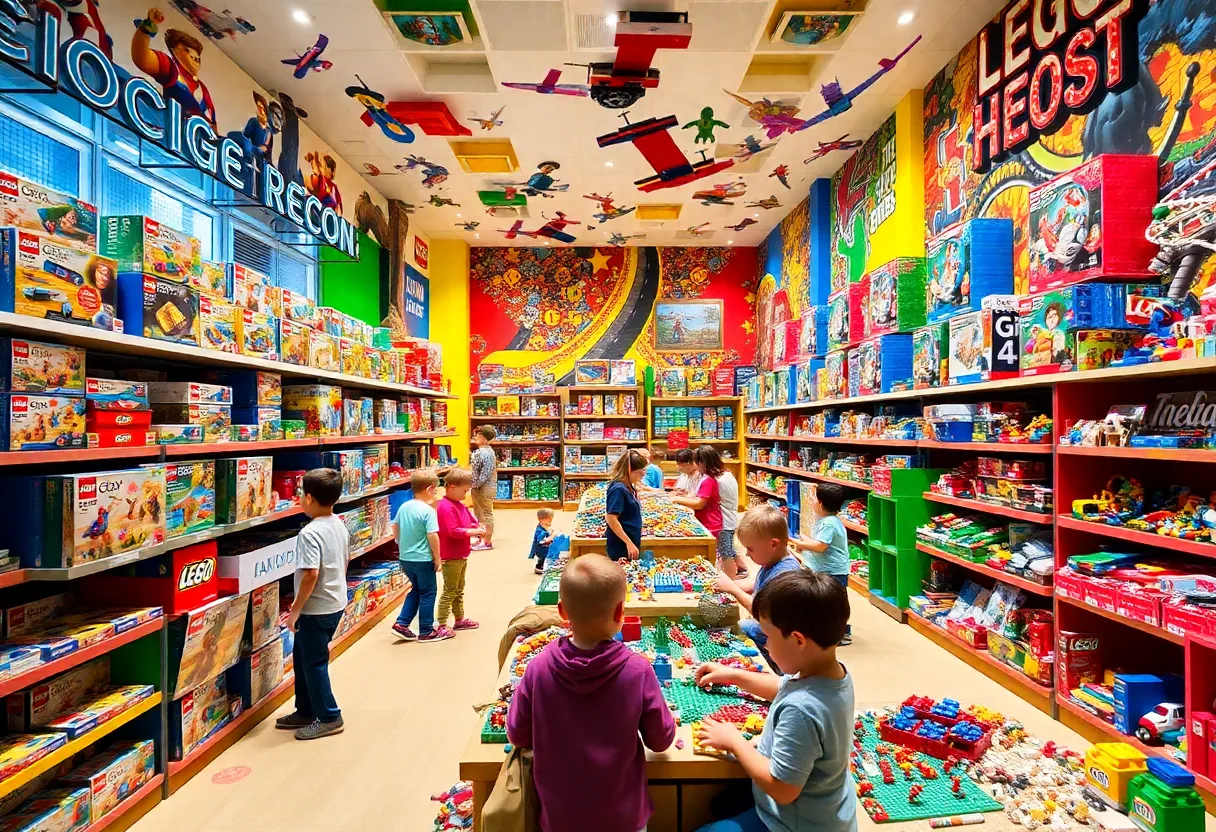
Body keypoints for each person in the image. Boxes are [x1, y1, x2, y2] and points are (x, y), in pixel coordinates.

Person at [507, 555, 676, 832]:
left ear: (562, 611)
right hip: (622, 818)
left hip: (560, 819)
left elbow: (517, 734)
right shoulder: (637, 670)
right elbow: (660, 741)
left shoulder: (538, 669)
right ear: (621, 611)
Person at [693, 571, 856, 832]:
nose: (765, 645)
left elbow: (782, 789)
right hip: (826, 812)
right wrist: (734, 675)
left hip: (793, 823)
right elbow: (782, 686)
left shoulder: (802, 709)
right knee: (722, 802)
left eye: (767, 636)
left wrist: (734, 740)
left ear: (798, 640)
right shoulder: (831, 673)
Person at [277, 469, 349, 740]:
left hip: (316, 608)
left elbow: (310, 574)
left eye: (299, 494)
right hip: (334, 601)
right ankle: (306, 709)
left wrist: (294, 611)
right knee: (303, 659)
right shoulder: (338, 523)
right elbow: (345, 559)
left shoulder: (310, 532)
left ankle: (330, 716)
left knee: (314, 663)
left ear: (308, 497)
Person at [716, 505, 802, 674]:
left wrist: (732, 588)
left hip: (769, 648)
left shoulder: (785, 574)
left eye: (751, 549)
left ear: (773, 544)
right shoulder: (771, 562)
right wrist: (722, 586)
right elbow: (757, 585)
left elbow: (762, 615)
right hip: (759, 632)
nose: (747, 555)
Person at [389, 471, 452, 643]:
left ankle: (402, 623)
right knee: (429, 593)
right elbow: (433, 535)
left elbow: (395, 527)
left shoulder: (404, 506)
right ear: (430, 489)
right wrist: (437, 558)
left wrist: (400, 542)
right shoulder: (427, 510)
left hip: (406, 558)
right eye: (436, 490)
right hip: (423, 559)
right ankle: (426, 630)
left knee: (416, 590)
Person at [792, 484, 853, 645]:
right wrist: (804, 539)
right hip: (824, 569)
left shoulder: (829, 523)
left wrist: (795, 541)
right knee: (823, 602)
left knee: (832, 604)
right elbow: (819, 542)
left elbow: (820, 546)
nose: (811, 501)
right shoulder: (826, 520)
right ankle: (829, 631)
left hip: (832, 571)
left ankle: (838, 633)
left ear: (820, 503)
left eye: (813, 498)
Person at [436, 468, 485, 632]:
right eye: (464, 491)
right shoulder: (445, 507)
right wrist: (474, 531)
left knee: (459, 589)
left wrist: (477, 527)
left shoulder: (459, 505)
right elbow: (453, 531)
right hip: (451, 555)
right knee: (450, 590)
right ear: (451, 487)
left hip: (462, 553)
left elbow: (470, 522)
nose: (465, 494)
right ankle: (441, 623)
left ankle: (459, 619)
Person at [672, 446, 723, 544]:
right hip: (705, 521)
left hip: (710, 523)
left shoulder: (707, 480)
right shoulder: (705, 478)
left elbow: (699, 503)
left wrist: (676, 499)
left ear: (700, 463)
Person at [605, 450, 647, 561]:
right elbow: (611, 518)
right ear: (629, 471)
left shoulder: (628, 486)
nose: (643, 474)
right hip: (621, 544)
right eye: (639, 471)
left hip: (630, 539)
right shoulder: (618, 489)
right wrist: (628, 543)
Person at [469, 425, 498, 550]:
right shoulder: (489, 451)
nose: (476, 437)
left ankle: (486, 541)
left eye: (479, 435)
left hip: (483, 487)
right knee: (480, 514)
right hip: (484, 486)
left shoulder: (481, 453)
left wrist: (474, 485)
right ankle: (482, 539)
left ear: (485, 438)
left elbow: (484, 473)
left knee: (485, 514)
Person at [531, 507, 555, 575]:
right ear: (541, 520)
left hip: (544, 547)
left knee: (545, 557)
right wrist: (552, 536)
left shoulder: (543, 526)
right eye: (549, 520)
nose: (550, 522)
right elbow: (541, 541)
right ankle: (539, 568)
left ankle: (542, 566)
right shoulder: (540, 531)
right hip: (541, 549)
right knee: (543, 557)